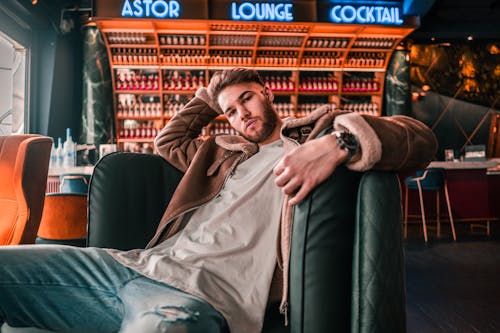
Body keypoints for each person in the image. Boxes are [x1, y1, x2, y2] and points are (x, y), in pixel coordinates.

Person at [0, 68, 437, 333]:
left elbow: (419, 139)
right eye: (230, 110)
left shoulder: (314, 132)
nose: (241, 113)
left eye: (247, 97)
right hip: (130, 265)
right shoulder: (218, 153)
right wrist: (214, 95)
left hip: (202, 296)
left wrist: (339, 143)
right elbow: (169, 139)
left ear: (267, 91)